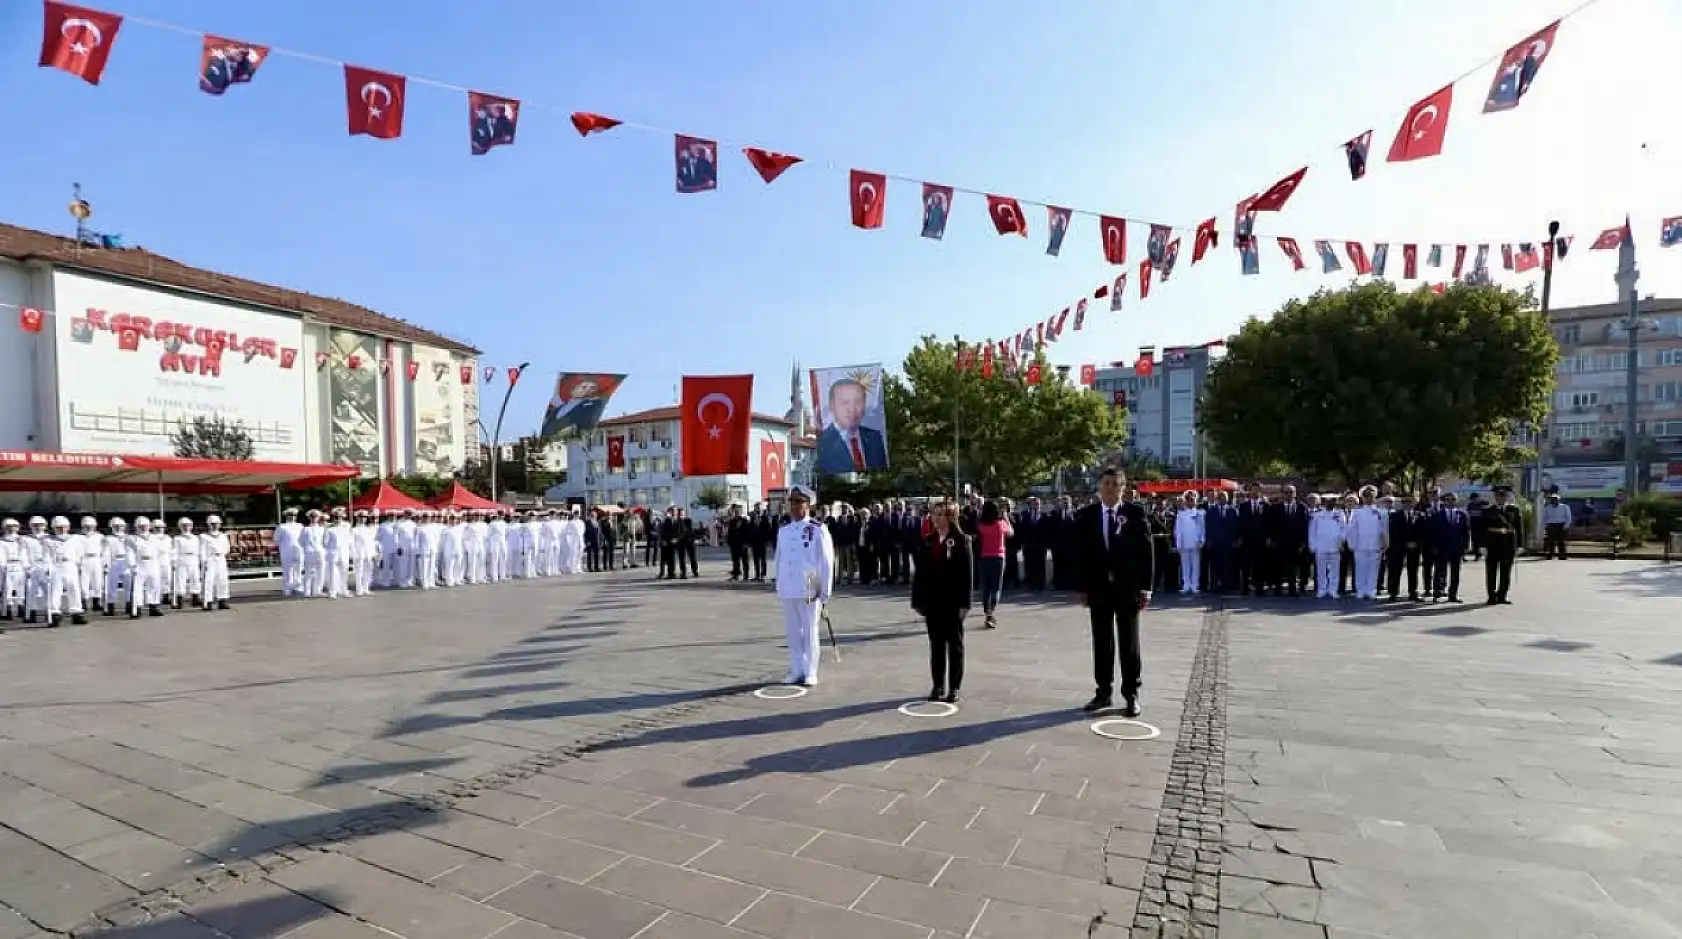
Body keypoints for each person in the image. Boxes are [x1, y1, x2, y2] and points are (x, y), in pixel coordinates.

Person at [1074, 468, 1155, 716]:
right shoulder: (1086, 515)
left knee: (1129, 642)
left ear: (1123, 487)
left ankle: (1131, 694)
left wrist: (1146, 588)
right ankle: (1103, 691)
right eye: (1106, 483)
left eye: (1115, 484)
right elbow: (1080, 554)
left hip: (1127, 587)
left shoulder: (1134, 513)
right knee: (1102, 640)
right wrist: (1082, 587)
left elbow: (1147, 552)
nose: (1110, 488)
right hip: (1098, 588)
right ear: (1100, 486)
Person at [912, 502, 972, 703]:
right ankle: (937, 685)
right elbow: (920, 574)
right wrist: (917, 600)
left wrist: (965, 604)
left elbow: (967, 575)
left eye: (941, 514)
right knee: (936, 645)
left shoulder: (962, 541)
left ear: (951, 517)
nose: (936, 518)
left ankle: (954, 687)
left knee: (955, 645)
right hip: (932, 601)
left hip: (953, 602)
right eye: (934, 514)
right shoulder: (927, 541)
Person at [774, 486, 834, 686]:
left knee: (809, 630)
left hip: (810, 582)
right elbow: (779, 558)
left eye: (799, 502)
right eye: (792, 502)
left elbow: (826, 561)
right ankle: (796, 668)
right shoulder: (784, 530)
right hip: (789, 584)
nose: (794, 506)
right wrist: (779, 582)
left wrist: (825, 590)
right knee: (793, 631)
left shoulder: (817, 528)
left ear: (809, 505)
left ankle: (810, 671)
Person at [815, 378, 888, 473]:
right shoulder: (822, 443)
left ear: (864, 405)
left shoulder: (875, 437)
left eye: (858, 402)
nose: (852, 409)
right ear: (831, 406)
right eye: (845, 402)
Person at [42, 516, 88, 627]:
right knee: (55, 590)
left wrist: (78, 562)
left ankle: (76, 612)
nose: (62, 529)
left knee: (74, 588)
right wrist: (47, 567)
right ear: (54, 528)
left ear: (68, 527)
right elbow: (46, 554)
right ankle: (55, 613)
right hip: (56, 566)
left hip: (70, 565)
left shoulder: (75, 538)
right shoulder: (48, 540)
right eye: (59, 527)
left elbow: (81, 551)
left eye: (64, 527)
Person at [974, 500, 1012, 629]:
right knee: (996, 587)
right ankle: (991, 612)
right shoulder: (1000, 524)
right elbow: (1011, 533)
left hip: (984, 557)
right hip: (998, 557)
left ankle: (987, 612)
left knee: (985, 587)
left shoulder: (981, 526)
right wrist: (1006, 517)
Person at [1482, 485, 1522, 604]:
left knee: (1506, 572)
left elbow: (1519, 528)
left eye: (1504, 495)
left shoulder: (1514, 510)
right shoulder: (1488, 510)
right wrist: (1482, 545)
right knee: (1491, 572)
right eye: (1499, 495)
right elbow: (1482, 529)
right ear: (1495, 497)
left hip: (1508, 545)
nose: (1501, 498)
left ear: (1507, 497)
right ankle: (1491, 596)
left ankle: (1502, 596)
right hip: (1493, 545)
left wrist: (1519, 545)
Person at [1428, 493, 1469, 602]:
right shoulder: (1437, 515)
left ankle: (1453, 595)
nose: (1450, 501)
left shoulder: (1462, 514)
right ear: (1444, 501)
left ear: (1456, 500)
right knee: (1439, 571)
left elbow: (1465, 532)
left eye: (1453, 499)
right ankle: (1437, 593)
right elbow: (1432, 532)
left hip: (1456, 548)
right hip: (1441, 547)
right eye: (1448, 499)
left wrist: (1465, 547)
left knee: (1455, 572)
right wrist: (1433, 546)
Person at [1385, 495, 1425, 601]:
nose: (1407, 504)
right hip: (1399, 547)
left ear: (1414, 503)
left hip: (1414, 547)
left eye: (1409, 502)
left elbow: (1423, 531)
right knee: (1395, 570)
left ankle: (1413, 592)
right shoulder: (1394, 516)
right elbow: (1393, 532)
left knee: (1413, 570)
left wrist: (1416, 543)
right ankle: (1393, 593)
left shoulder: (1420, 515)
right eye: (1404, 502)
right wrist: (1405, 543)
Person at [126, 517, 166, 617]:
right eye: (141, 526)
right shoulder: (131, 538)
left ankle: (154, 607)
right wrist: (132, 565)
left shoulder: (155, 538)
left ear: (149, 526)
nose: (144, 528)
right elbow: (129, 552)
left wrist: (160, 563)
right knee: (137, 587)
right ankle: (136, 608)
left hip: (153, 563)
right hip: (140, 564)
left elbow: (161, 551)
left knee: (154, 585)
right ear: (137, 527)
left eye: (145, 526)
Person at [1306, 494, 1344, 598]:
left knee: (1335, 570)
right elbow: (1312, 531)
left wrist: (1341, 542)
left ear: (1335, 503)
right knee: (1320, 570)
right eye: (1328, 502)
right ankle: (1322, 590)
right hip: (1320, 546)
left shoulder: (1339, 514)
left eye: (1332, 501)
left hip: (1335, 546)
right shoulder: (1316, 515)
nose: (1330, 504)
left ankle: (1333, 590)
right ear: (1324, 502)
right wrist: (1312, 545)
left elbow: (1344, 528)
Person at [1173, 490, 1204, 595]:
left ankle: (1195, 585)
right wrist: (1178, 544)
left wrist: (1202, 540)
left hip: (1195, 542)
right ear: (1185, 501)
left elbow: (1202, 528)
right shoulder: (1181, 514)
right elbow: (1178, 530)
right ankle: (1186, 585)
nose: (1190, 501)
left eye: (1192, 499)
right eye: (1188, 499)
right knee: (1185, 565)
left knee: (1195, 565)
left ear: (1195, 500)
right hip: (1184, 543)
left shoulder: (1200, 513)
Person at [201, 515, 232, 610]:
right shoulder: (204, 536)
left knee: (222, 580)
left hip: (221, 558)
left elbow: (227, 547)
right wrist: (204, 561)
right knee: (208, 581)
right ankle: (207, 601)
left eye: (216, 524)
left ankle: (222, 600)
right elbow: (202, 550)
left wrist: (222, 553)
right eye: (212, 524)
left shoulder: (223, 536)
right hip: (210, 559)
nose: (215, 525)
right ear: (209, 524)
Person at [172, 518, 203, 609]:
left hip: (193, 559)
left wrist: (200, 560)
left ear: (191, 526)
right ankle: (179, 600)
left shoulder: (195, 538)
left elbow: (199, 550)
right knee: (180, 580)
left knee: (195, 579)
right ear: (180, 527)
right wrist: (174, 561)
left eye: (188, 525)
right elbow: (174, 551)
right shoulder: (177, 538)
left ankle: (195, 599)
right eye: (184, 526)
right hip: (182, 559)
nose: (186, 527)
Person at [102, 518, 129, 616]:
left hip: (126, 562)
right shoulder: (108, 538)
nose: (118, 528)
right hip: (114, 562)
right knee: (111, 585)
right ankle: (110, 606)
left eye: (120, 526)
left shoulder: (129, 538)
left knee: (129, 585)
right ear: (112, 527)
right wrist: (105, 564)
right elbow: (106, 552)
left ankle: (129, 605)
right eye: (116, 526)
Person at [273, 507, 303, 596]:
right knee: (287, 571)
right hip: (286, 551)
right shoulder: (282, 527)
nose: (292, 517)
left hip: (298, 550)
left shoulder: (300, 526)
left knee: (298, 570)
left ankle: (298, 587)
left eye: (294, 515)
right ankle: (287, 589)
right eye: (290, 515)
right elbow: (276, 539)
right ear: (286, 516)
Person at [77, 516, 104, 613]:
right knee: (83, 583)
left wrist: (103, 561)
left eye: (91, 526)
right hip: (84, 560)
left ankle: (96, 602)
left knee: (97, 582)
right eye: (86, 526)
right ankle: (84, 602)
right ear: (83, 526)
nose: (89, 528)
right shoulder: (78, 537)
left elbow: (104, 549)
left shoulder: (100, 536)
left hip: (96, 559)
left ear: (94, 526)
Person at [1541, 494, 1572, 560]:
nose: (1554, 501)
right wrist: (1545, 525)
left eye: (1556, 499)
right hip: (1551, 525)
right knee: (1551, 541)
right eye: (1553, 499)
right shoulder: (1548, 507)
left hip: (1561, 525)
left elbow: (1568, 517)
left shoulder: (1564, 507)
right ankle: (1550, 555)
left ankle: (1562, 555)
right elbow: (1545, 517)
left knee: (1561, 541)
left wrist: (1566, 525)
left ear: (1558, 500)